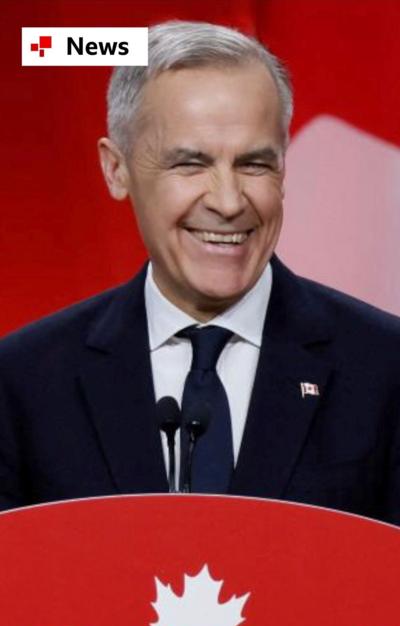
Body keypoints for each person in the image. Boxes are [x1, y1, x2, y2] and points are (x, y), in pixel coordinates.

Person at [0, 21, 399, 523]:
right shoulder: (22, 382)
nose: (229, 202)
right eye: (190, 164)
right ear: (115, 170)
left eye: (255, 164)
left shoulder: (385, 369)